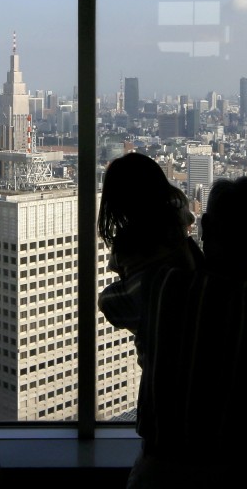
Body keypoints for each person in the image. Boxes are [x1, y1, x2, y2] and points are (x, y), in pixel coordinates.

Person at [126, 176, 247, 488]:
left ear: (205, 226)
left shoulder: (163, 288)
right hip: (237, 475)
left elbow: (115, 301)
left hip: (159, 475)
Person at [97, 152, 200, 355]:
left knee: (107, 300)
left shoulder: (129, 243)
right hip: (191, 327)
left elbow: (120, 276)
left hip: (157, 353)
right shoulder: (177, 220)